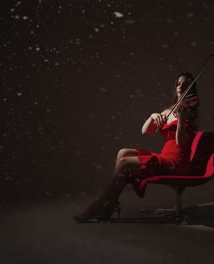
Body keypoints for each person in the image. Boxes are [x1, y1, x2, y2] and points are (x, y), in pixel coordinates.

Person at [73, 72, 201, 222]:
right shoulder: (169, 110)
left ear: (192, 89)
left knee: (125, 163)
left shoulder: (194, 112)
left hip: (177, 162)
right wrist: (154, 115)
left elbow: (180, 142)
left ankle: (101, 203)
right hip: (165, 156)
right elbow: (146, 131)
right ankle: (111, 201)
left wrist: (180, 120)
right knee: (123, 152)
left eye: (185, 84)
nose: (180, 87)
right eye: (179, 83)